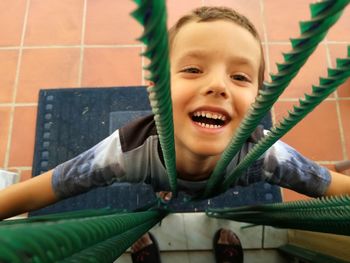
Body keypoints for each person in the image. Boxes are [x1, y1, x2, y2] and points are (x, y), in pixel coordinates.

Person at [0, 5, 349, 263]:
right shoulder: (128, 150)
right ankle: (165, 194)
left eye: (240, 77)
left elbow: (330, 186)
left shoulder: (265, 153)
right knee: (162, 184)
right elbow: (50, 186)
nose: (217, 85)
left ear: (259, 100)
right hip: (158, 171)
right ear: (155, 90)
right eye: (193, 69)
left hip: (225, 178)